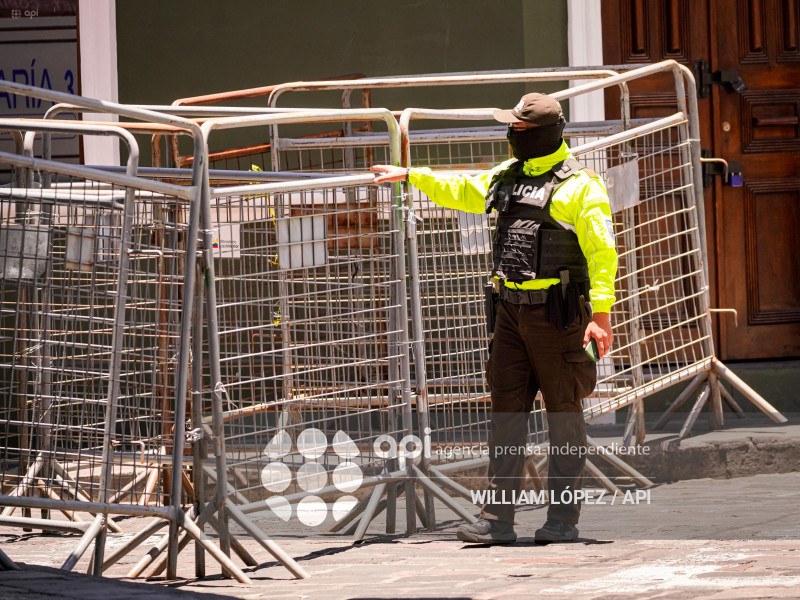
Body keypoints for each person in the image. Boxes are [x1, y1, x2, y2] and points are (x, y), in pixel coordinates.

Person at [372, 92, 617, 544]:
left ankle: (562, 520)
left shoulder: (582, 186)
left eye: (521, 130)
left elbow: (602, 255)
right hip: (509, 314)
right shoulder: (508, 175)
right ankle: (497, 520)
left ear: (545, 133)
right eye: (513, 129)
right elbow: (465, 189)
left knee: (564, 417)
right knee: (506, 416)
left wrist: (600, 317)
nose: (513, 136)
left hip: (558, 315)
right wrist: (412, 176)